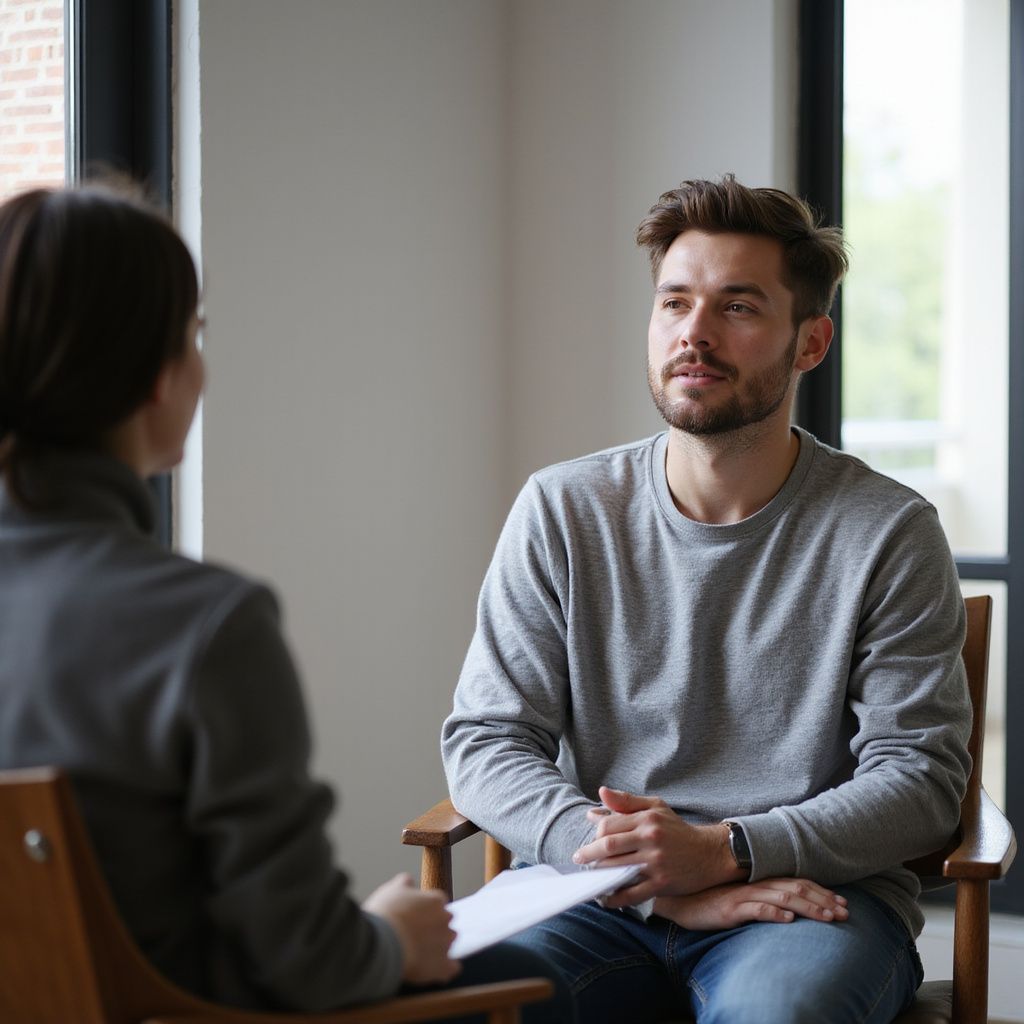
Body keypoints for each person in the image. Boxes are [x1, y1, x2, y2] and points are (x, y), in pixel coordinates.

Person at [0, 183, 572, 1022]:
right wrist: (393, 934)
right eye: (194, 335)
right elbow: (310, 962)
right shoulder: (200, 628)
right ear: (155, 376)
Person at [442, 174, 972, 1023]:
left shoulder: (888, 531)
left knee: (779, 1013)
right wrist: (650, 879)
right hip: (593, 897)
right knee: (428, 989)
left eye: (737, 307)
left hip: (804, 902)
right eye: (673, 303)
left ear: (810, 343)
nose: (692, 334)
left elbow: (919, 779)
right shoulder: (563, 508)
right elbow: (486, 741)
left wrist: (725, 853)